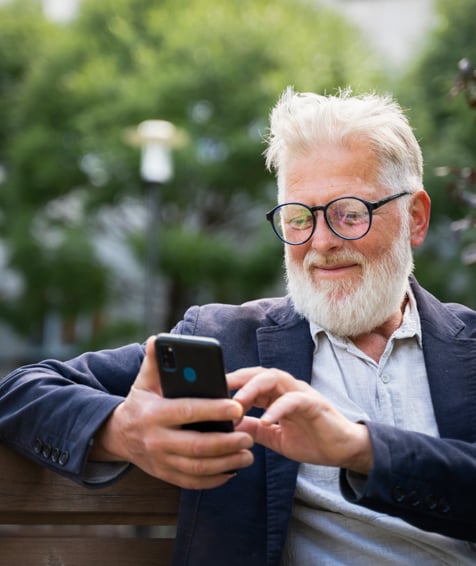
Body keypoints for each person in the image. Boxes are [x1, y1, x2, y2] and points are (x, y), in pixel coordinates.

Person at [0, 87, 475, 565]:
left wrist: (359, 448)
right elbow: (21, 391)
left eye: (349, 214)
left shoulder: (469, 347)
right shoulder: (226, 341)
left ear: (415, 218)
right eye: (298, 217)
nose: (321, 242)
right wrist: (121, 430)